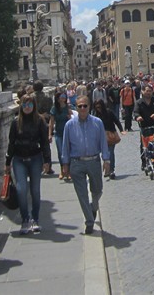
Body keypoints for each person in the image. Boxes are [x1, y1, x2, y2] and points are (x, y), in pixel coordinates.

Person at [61, 95, 111, 235]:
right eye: (80, 106)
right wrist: (65, 164)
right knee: (82, 194)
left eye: (85, 106)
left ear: (89, 107)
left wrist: (106, 160)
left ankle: (93, 207)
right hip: (76, 162)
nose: (82, 108)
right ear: (76, 108)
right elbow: (65, 146)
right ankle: (89, 221)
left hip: (94, 161)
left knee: (97, 190)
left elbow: (103, 142)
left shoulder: (97, 123)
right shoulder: (69, 125)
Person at [5, 94, 52, 235]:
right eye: (24, 105)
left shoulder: (40, 121)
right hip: (19, 159)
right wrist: (7, 162)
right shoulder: (15, 122)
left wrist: (47, 160)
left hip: (35, 158)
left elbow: (44, 142)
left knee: (35, 190)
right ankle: (25, 219)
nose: (27, 107)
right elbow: (11, 144)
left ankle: (35, 219)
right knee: (21, 189)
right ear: (21, 106)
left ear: (34, 106)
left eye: (29, 105)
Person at [92, 98, 124, 180]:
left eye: (99, 107)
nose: (98, 109)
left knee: (110, 153)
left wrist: (121, 130)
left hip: (111, 135)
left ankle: (111, 170)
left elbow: (116, 121)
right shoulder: (95, 115)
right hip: (101, 137)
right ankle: (107, 169)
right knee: (104, 154)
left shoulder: (109, 112)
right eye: (96, 107)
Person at [48, 91, 71, 180]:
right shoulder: (54, 109)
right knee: (61, 152)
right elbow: (51, 122)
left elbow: (73, 119)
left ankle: (68, 171)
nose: (63, 97)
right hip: (59, 133)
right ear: (58, 99)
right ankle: (62, 170)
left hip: (68, 133)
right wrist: (50, 134)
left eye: (64, 96)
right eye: (61, 96)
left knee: (68, 151)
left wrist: (70, 117)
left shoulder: (68, 107)